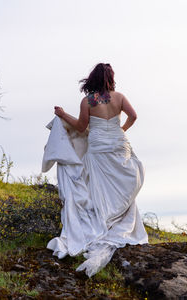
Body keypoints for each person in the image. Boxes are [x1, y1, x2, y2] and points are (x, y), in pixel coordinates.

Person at [47, 63, 148, 277]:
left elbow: (81, 127)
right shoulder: (119, 97)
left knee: (100, 188)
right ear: (110, 78)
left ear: (92, 78)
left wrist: (63, 114)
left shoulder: (89, 101)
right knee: (122, 184)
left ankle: (103, 224)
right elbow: (134, 116)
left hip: (99, 148)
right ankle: (117, 222)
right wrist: (121, 130)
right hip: (119, 144)